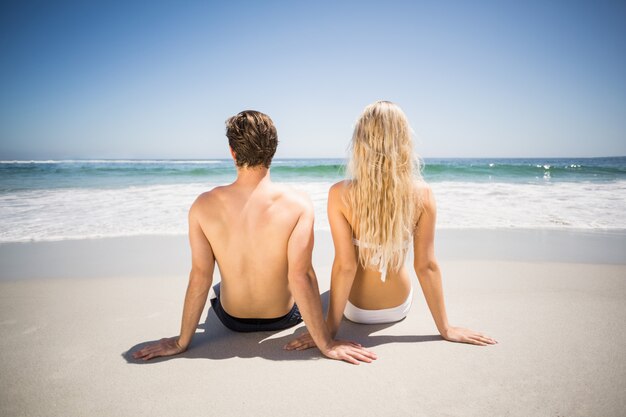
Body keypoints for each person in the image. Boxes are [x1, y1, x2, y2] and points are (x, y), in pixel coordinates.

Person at [133, 110, 377, 365]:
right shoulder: (298, 204)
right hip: (283, 318)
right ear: (273, 150)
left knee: (218, 287)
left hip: (232, 320)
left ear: (232, 152)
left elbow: (200, 275)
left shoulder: (202, 206)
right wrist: (326, 344)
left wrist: (181, 341)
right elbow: (300, 276)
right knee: (312, 284)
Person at [285, 101, 497, 352]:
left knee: (325, 294)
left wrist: (328, 331)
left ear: (360, 142)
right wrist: (446, 328)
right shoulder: (423, 194)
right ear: (404, 141)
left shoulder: (339, 194)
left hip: (355, 310)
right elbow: (426, 266)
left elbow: (346, 266)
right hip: (397, 307)